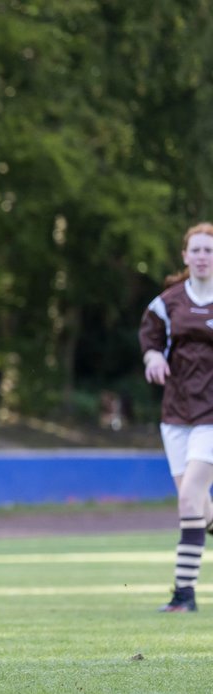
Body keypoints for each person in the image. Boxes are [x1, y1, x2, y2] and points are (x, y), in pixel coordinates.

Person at [140, 221, 213, 613]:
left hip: (212, 416)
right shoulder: (167, 302)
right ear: (186, 255)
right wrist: (152, 357)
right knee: (199, 506)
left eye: (209, 250)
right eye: (197, 250)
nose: (203, 256)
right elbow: (150, 339)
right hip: (176, 415)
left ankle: (184, 595)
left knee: (189, 499)